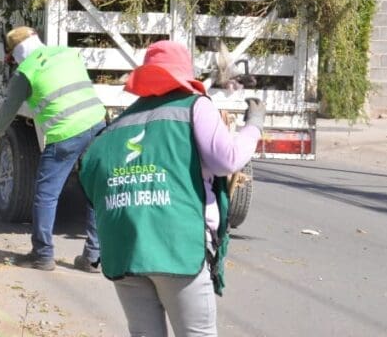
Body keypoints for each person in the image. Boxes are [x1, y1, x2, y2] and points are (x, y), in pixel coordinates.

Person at [78, 40, 263, 337]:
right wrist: (254, 126)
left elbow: (89, 176)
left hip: (124, 249)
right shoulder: (194, 106)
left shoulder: (120, 123)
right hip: (177, 247)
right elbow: (226, 160)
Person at [0, 26, 106, 272]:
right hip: (97, 123)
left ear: (16, 52)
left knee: (46, 195)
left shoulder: (26, 72)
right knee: (94, 190)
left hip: (65, 134)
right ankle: (93, 256)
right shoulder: (67, 52)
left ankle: (42, 255)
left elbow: (9, 109)